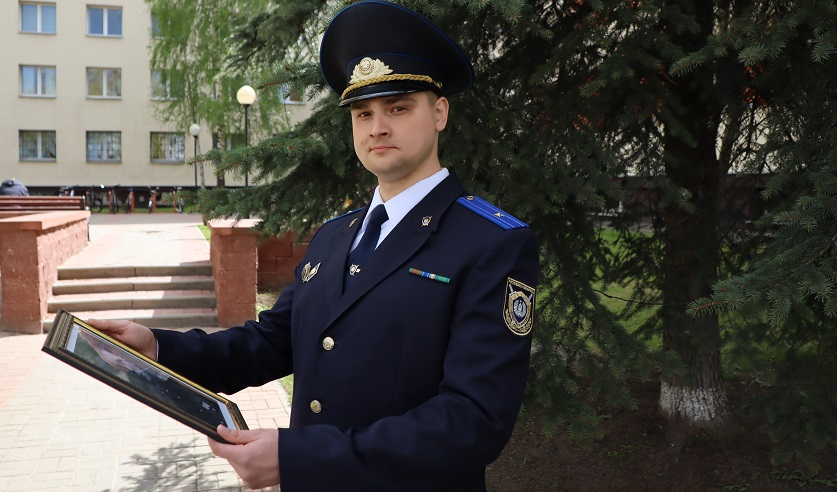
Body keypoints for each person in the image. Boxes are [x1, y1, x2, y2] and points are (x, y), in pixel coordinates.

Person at [88, 1, 538, 490]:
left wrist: (298, 457)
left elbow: (473, 421)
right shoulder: (335, 235)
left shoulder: (491, 243)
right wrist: (159, 347)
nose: (377, 127)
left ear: (440, 113)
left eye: (398, 107)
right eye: (363, 113)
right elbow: (273, 341)